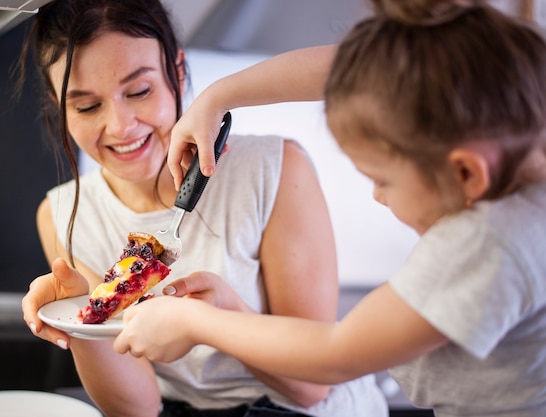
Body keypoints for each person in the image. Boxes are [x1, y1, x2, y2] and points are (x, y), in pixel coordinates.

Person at [113, 1, 546, 416]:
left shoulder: (486, 244)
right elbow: (352, 71)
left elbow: (336, 354)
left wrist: (195, 324)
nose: (378, 195)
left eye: (382, 179)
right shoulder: (522, 129)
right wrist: (218, 97)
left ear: (467, 173)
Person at [19, 0, 388, 416]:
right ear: (57, 103)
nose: (120, 126)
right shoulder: (62, 213)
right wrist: (82, 319)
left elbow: (310, 386)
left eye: (139, 91)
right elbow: (138, 408)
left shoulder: (273, 171)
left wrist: (218, 314)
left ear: (177, 71)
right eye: (86, 105)